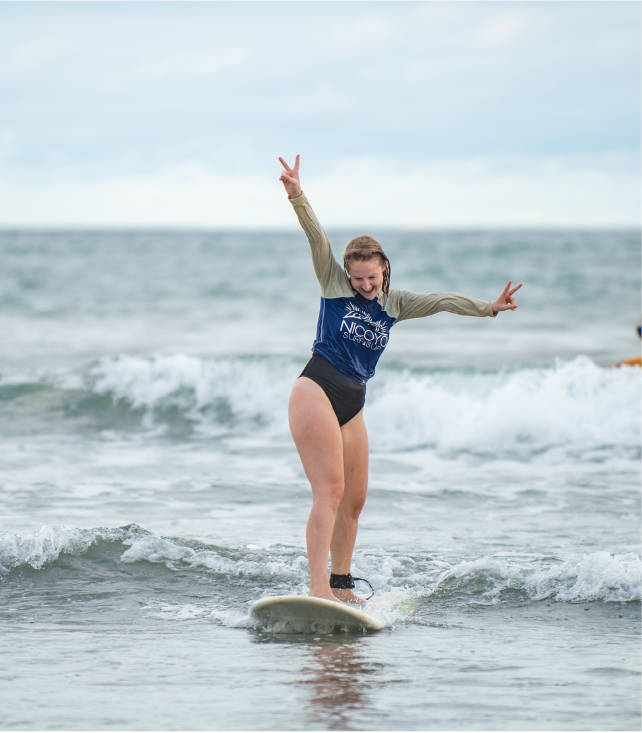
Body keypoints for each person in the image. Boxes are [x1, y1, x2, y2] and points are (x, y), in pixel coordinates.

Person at [279, 154, 523, 604]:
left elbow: (442, 300)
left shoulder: (396, 304)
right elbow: (317, 238)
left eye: (370, 278)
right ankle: (317, 589)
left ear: (384, 270)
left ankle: (341, 585)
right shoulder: (334, 282)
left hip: (353, 401)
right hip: (316, 388)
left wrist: (488, 307)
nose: (364, 286)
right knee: (329, 491)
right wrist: (297, 195)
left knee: (354, 501)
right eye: (357, 279)